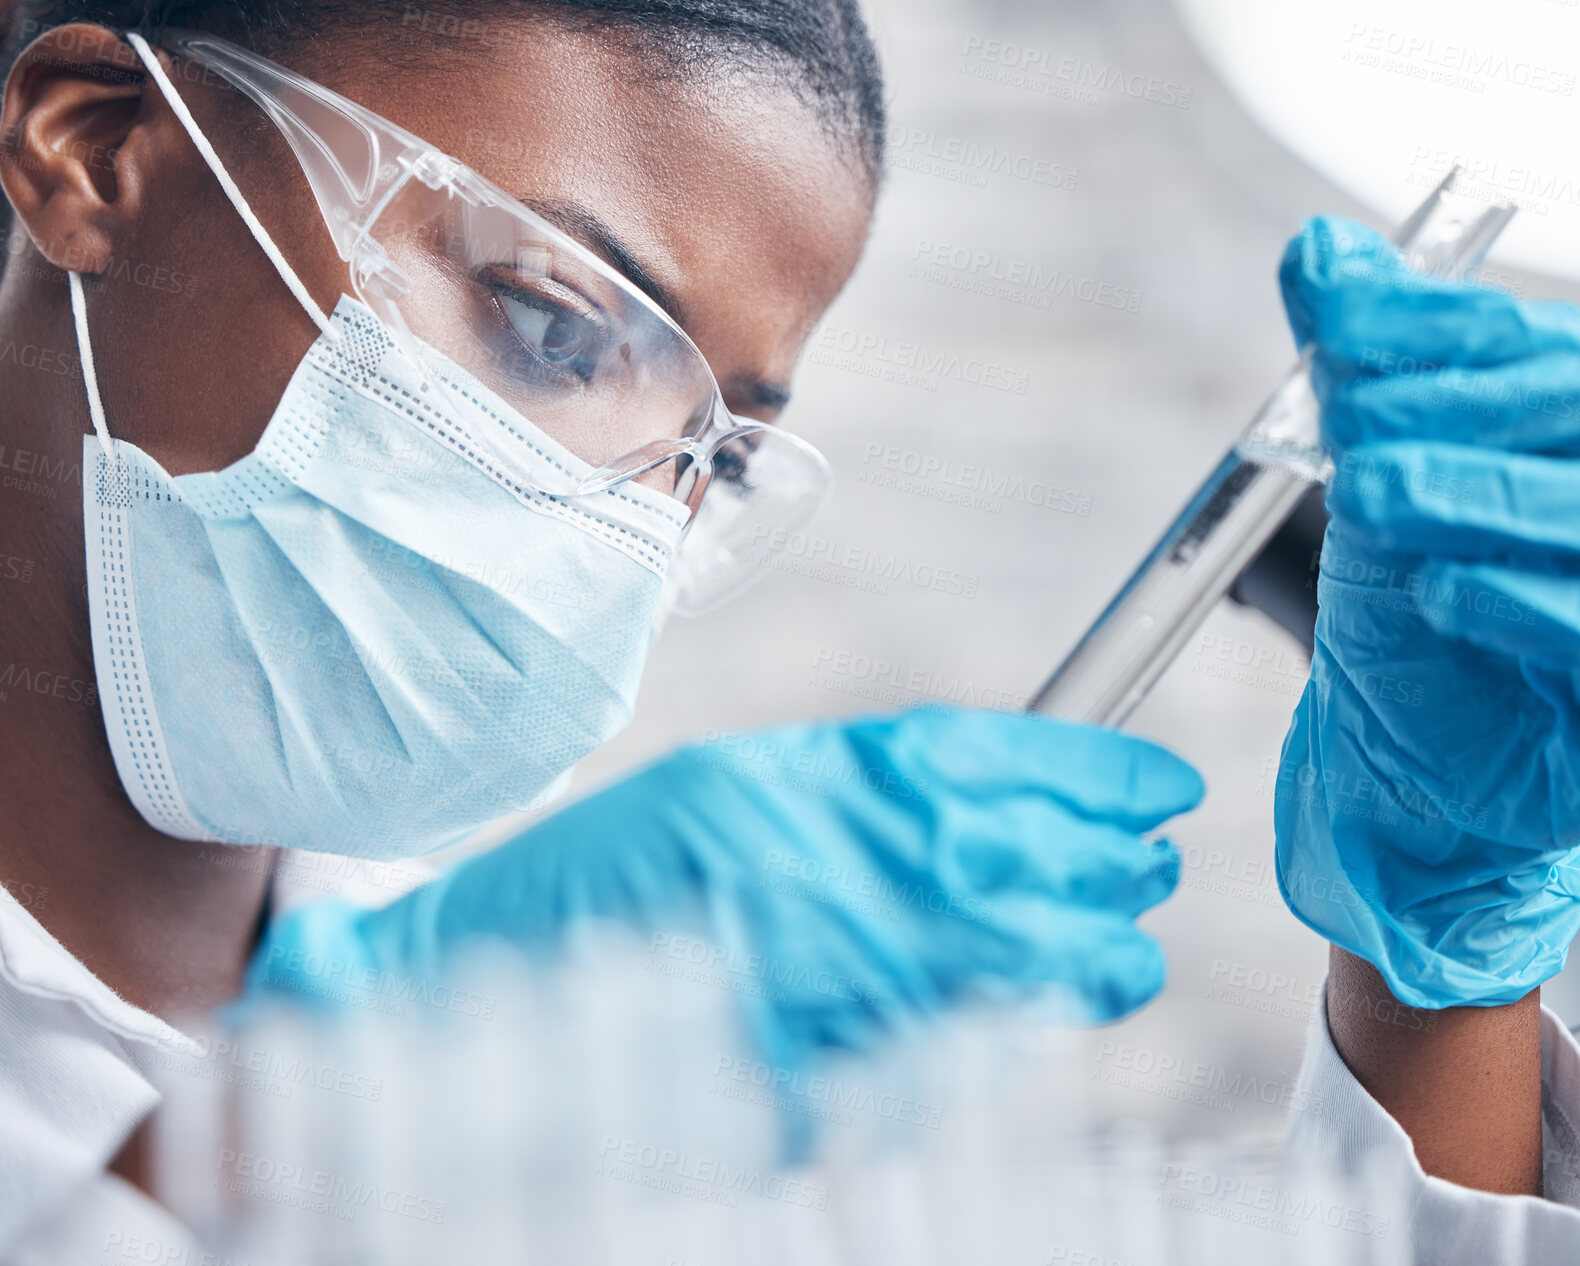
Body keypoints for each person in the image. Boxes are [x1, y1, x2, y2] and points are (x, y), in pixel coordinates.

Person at [0, 3, 1577, 1263]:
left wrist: (1435, 968)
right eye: (558, 324)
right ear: (96, 151)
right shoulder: (476, 1008)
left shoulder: (635, 1063)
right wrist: (342, 1109)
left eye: (716, 449)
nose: (624, 522)